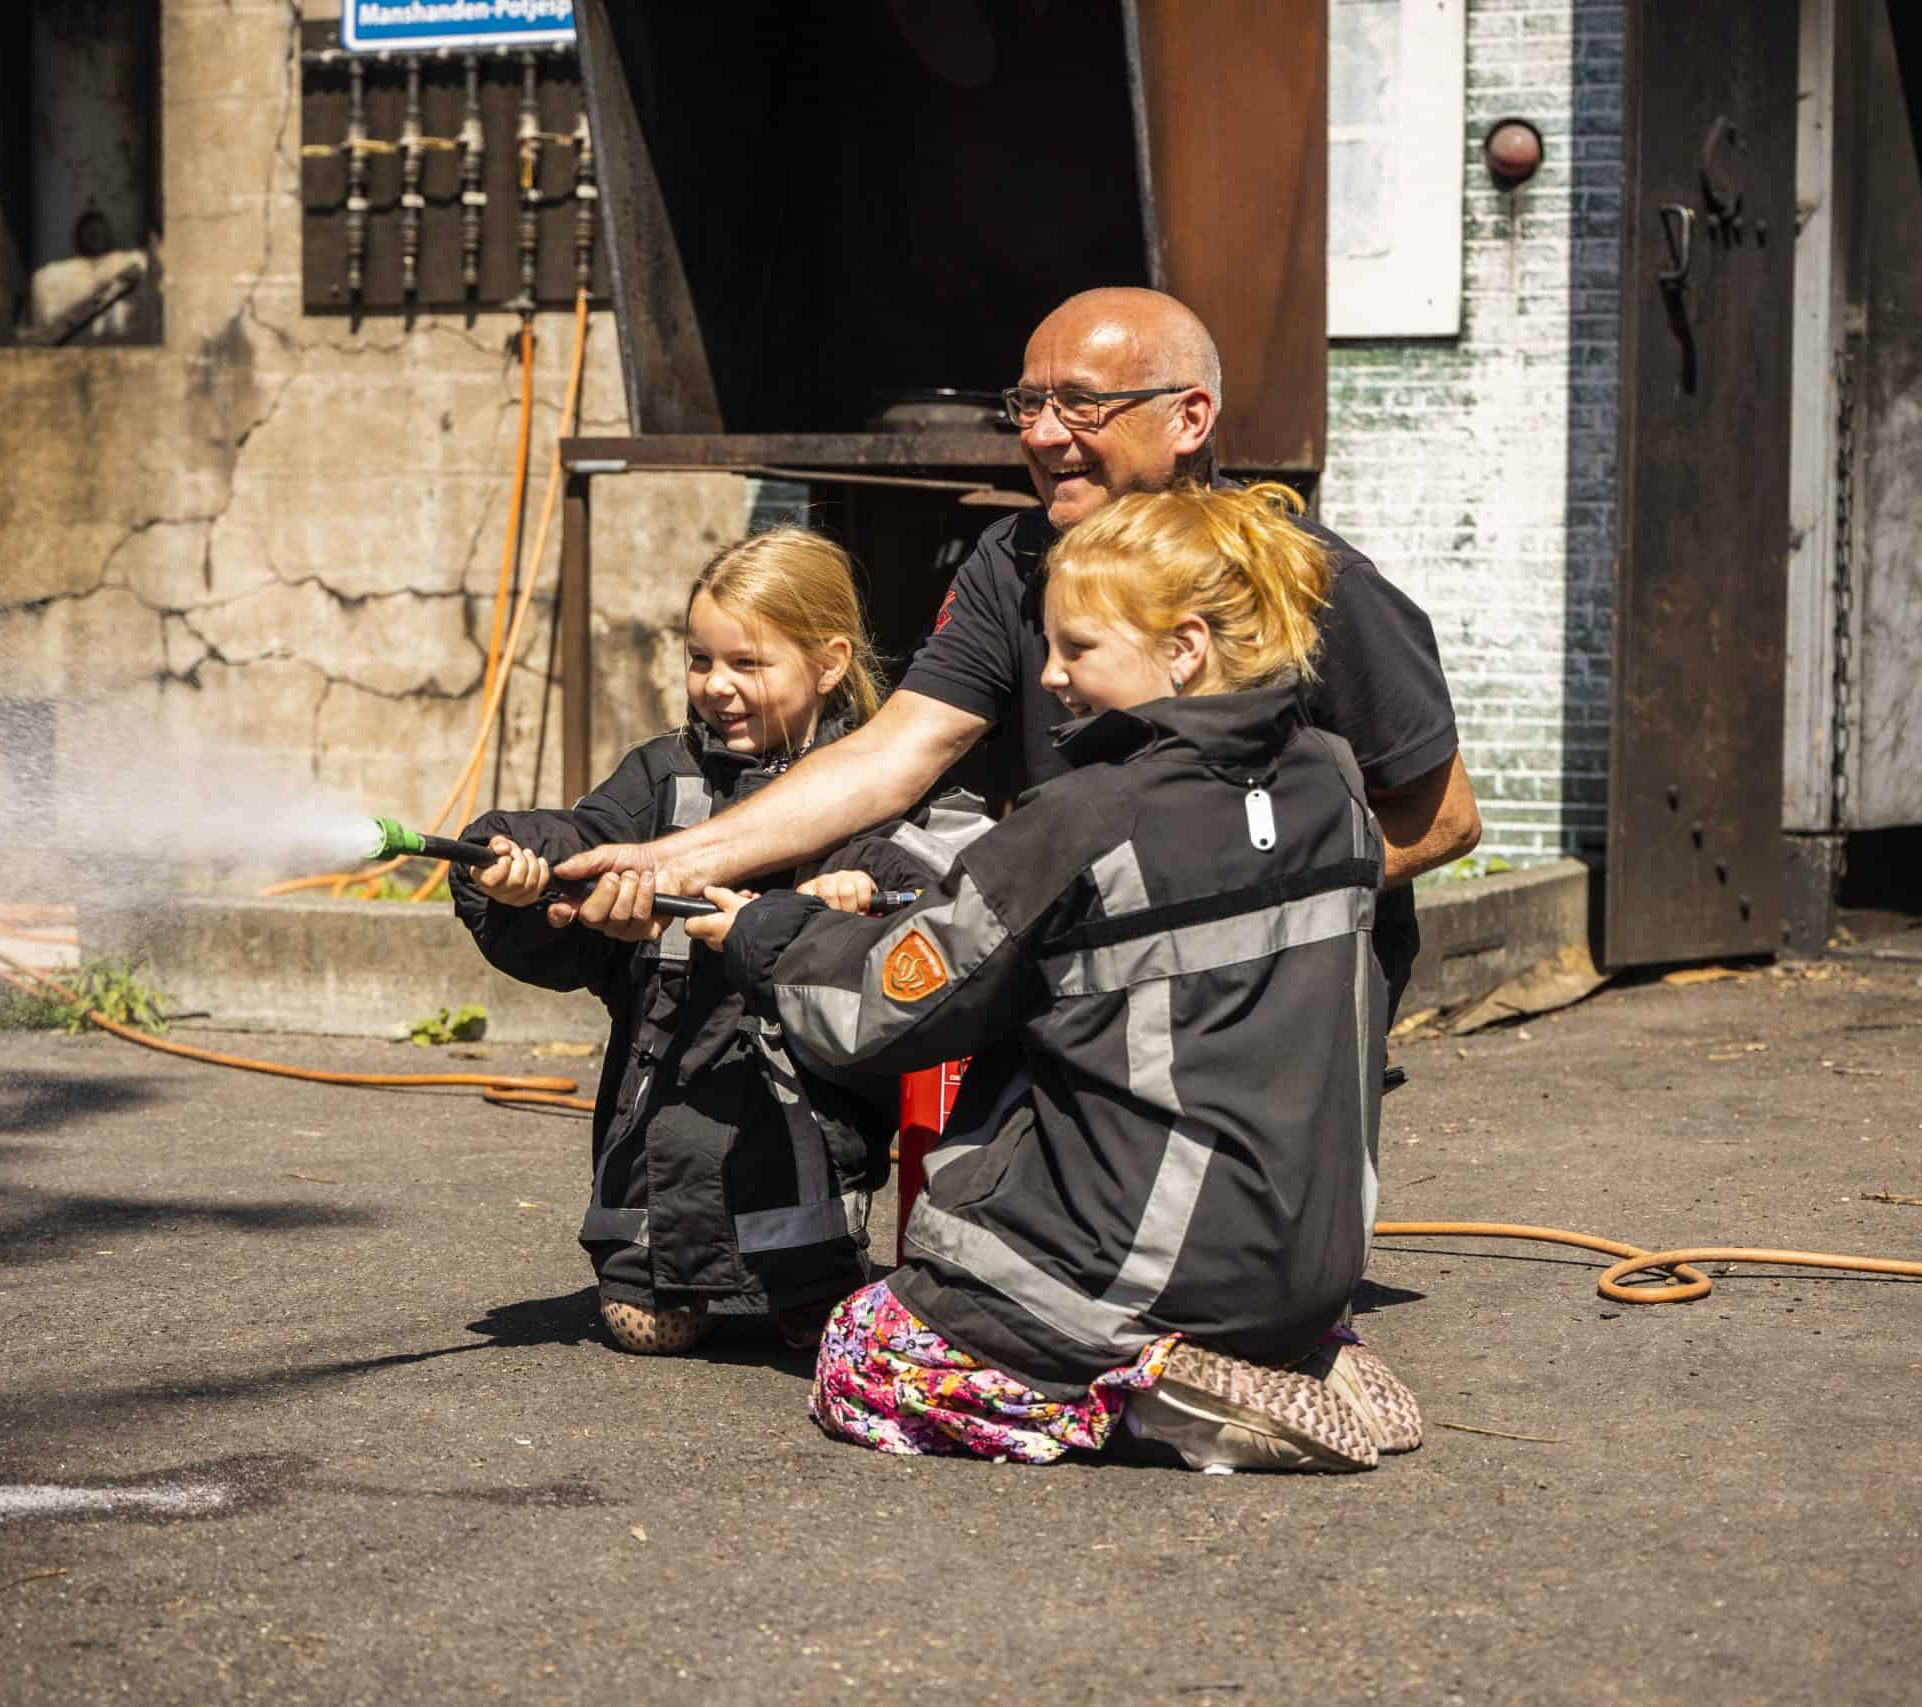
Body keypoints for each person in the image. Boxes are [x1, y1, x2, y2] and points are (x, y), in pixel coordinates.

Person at [686, 483, 1420, 1471]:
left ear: (1184, 649)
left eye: (1076, 648)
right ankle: (1305, 1356)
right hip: (1309, 1269)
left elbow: (883, 1013)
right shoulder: (1331, 778)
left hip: (1141, 1275)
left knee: (863, 1352)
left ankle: (1142, 1395)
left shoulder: (1088, 821)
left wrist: (767, 932)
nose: (1051, 675)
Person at [554, 287, 1480, 1028]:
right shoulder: (1012, 559)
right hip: (1083, 974)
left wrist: (1212, 904)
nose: (1040, 434)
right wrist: (670, 859)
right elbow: (892, 753)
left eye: (1080, 405)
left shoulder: (1309, 578)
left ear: (1190, 417)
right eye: (1029, 404)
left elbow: (1445, 820)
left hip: (1270, 1001)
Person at [450, 528, 974, 1355]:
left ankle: (811, 1269)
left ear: (830, 661)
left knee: (815, 1324)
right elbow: (584, 836)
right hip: (655, 1161)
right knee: (645, 1329)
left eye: (747, 664)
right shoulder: (659, 776)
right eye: (700, 660)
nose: (716, 687)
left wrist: (862, 895)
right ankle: (659, 1263)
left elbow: (932, 883)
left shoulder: (866, 780)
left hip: (803, 1147)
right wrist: (516, 869)